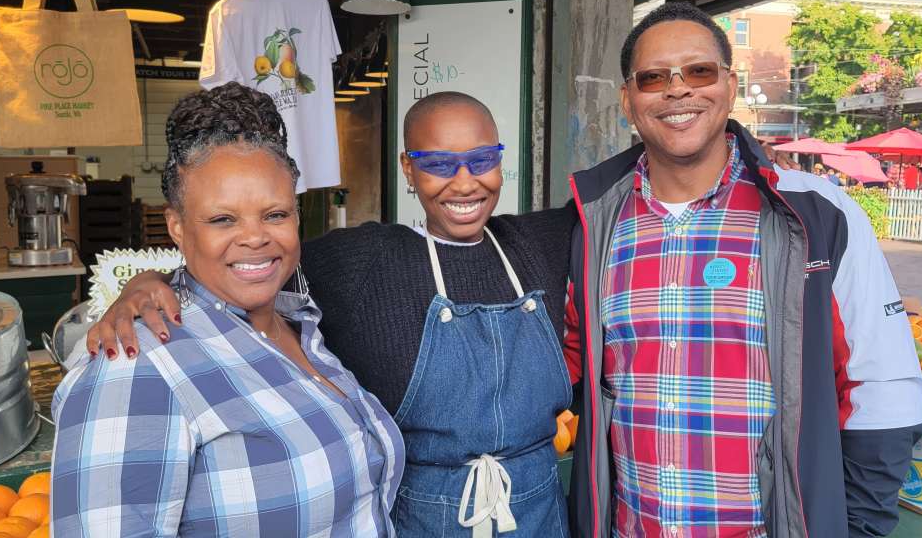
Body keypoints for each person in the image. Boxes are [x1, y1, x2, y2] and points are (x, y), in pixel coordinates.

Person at [87, 91, 580, 537]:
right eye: (438, 163)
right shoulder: (362, 260)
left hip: (540, 513)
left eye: (480, 159)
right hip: (424, 518)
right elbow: (247, 259)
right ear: (408, 169)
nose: (464, 181)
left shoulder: (543, 240)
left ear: (500, 159)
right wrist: (149, 283)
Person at [565, 2, 922, 538]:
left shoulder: (815, 214)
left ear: (730, 86)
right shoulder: (593, 221)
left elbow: (883, 383)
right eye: (653, 77)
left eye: (699, 71)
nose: (678, 90)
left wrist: (857, 527)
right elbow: (571, 366)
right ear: (627, 100)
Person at [50, 83, 405, 537]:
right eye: (223, 219)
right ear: (176, 226)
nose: (255, 237)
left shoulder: (303, 325)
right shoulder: (137, 367)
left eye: (275, 214)